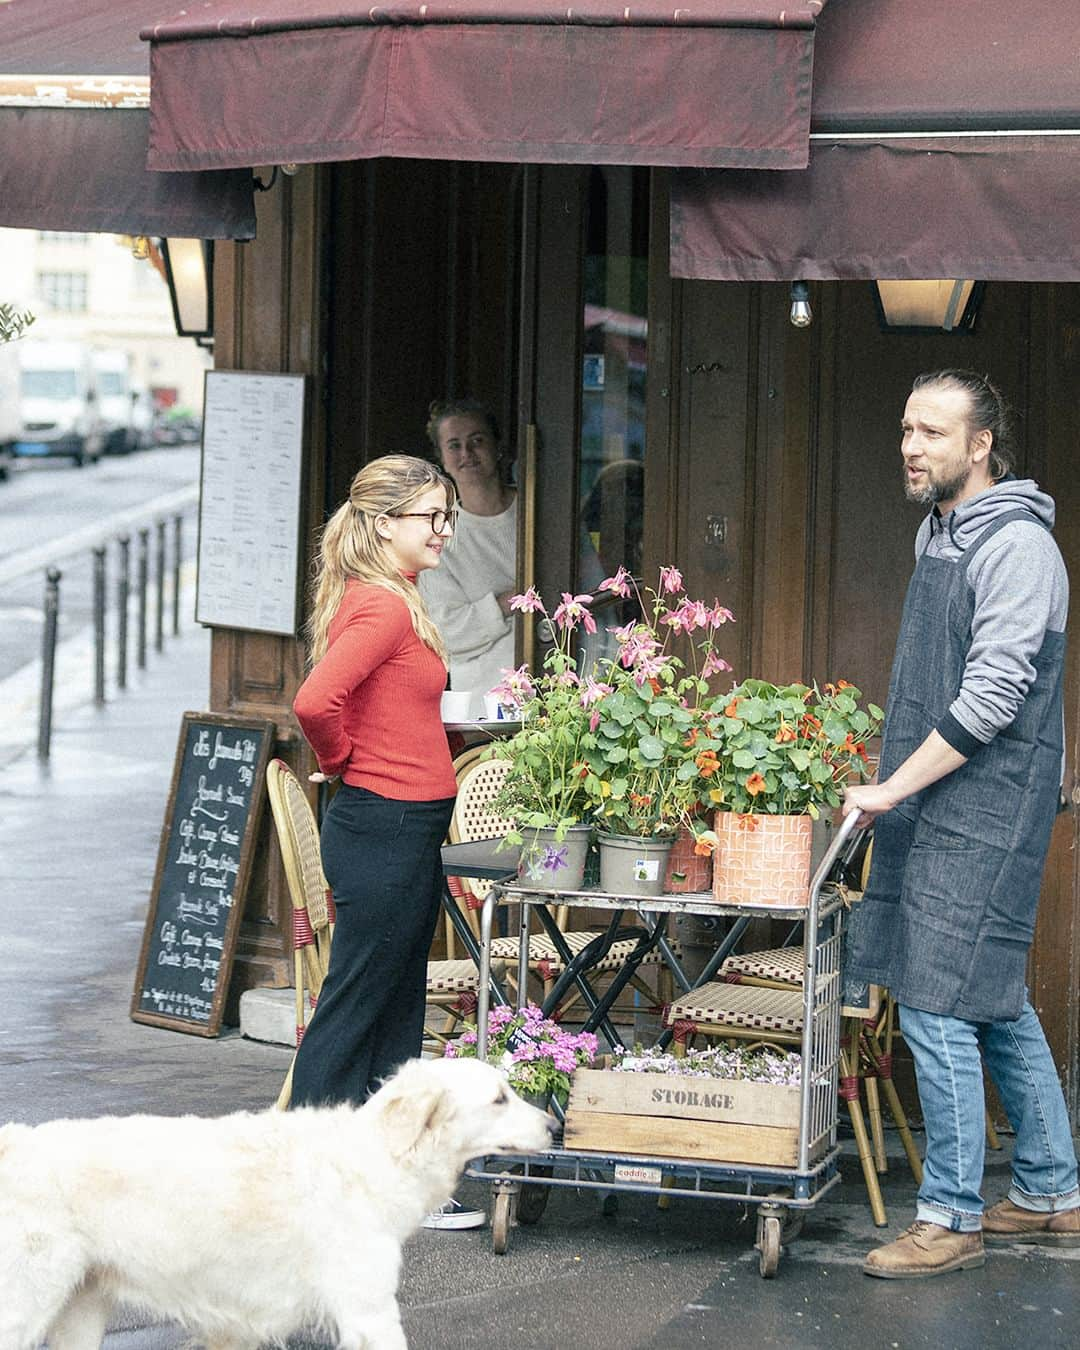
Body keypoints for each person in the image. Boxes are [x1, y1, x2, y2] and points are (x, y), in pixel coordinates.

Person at [843, 369, 1079, 1279]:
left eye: (933, 432)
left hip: (988, 804)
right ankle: (1053, 1192)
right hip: (938, 797)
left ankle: (950, 1215)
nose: (911, 446)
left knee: (939, 998)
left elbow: (991, 697)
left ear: (980, 445)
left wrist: (890, 787)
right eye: (907, 428)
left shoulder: (1019, 547)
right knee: (994, 992)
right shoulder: (937, 533)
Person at [289, 453, 485, 1230]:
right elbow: (314, 703)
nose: (443, 529)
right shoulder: (383, 607)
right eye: (430, 517)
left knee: (395, 1008)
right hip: (384, 824)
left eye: (447, 516)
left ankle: (392, 1186)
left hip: (399, 824)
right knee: (356, 1007)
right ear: (382, 524)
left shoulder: (391, 596)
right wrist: (346, 764)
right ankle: (300, 1185)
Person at [417, 399, 516, 717]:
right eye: (454, 445)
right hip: (484, 701)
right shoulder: (439, 536)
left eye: (477, 441)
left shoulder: (541, 512)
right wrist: (506, 603)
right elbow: (443, 632)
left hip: (559, 690)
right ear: (442, 459)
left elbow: (591, 592)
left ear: (498, 447)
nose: (467, 454)